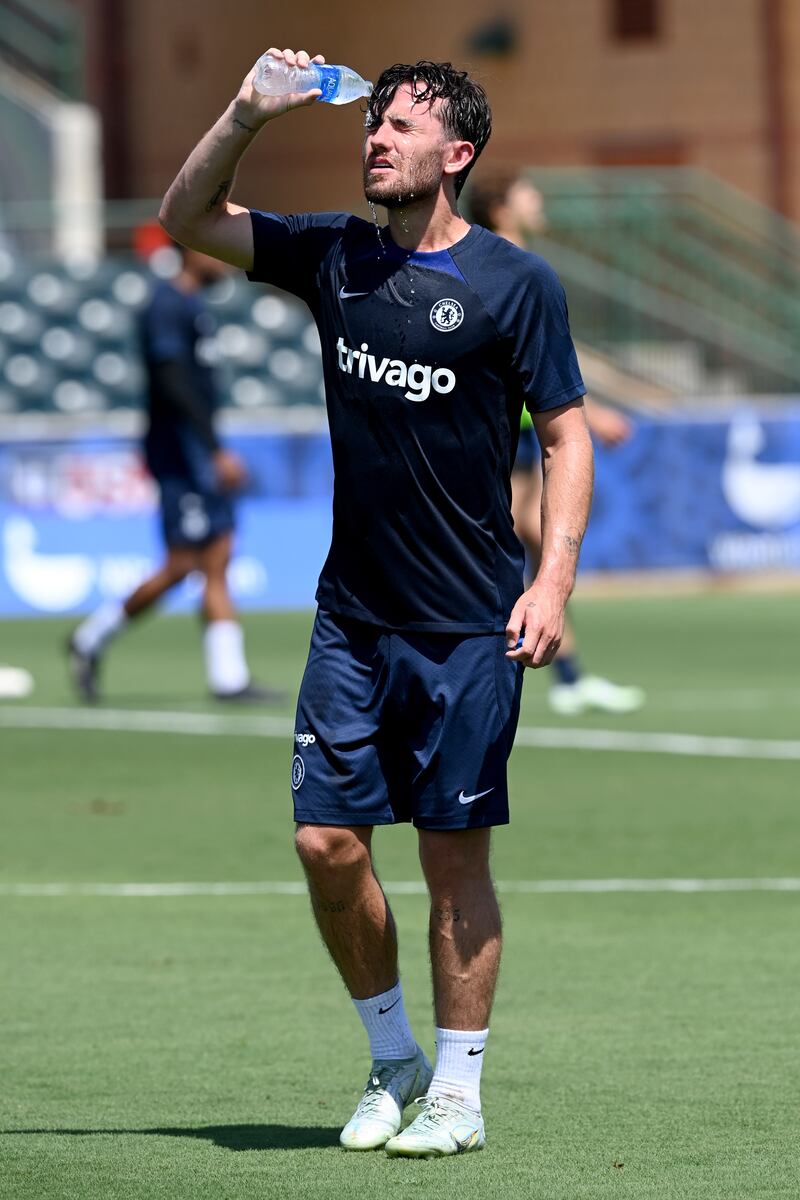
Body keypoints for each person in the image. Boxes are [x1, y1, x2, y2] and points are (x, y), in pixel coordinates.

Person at [159, 51, 593, 1158]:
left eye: (400, 128)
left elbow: (564, 433)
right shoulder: (329, 255)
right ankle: (391, 1056)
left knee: (453, 858)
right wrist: (246, 111)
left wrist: (551, 581)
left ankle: (456, 1091)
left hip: (467, 626)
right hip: (352, 618)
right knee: (324, 845)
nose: (375, 140)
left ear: (455, 156)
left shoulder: (514, 283)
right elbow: (187, 217)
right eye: (373, 124)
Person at [68, 245, 282, 704]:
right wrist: (214, 449)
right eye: (215, 252)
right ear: (190, 252)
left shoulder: (191, 305)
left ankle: (229, 676)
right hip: (179, 457)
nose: (225, 260)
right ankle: (90, 638)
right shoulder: (164, 306)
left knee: (219, 553)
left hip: (197, 455)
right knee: (184, 563)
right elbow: (172, 384)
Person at [469, 172, 644, 715]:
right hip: (506, 428)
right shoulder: (496, 265)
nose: (538, 200)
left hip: (524, 430)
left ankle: (564, 670)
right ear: (501, 205)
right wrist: (585, 416)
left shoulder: (521, 266)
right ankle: (542, 660)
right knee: (526, 535)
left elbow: (552, 353)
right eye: (527, 191)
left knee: (531, 541)